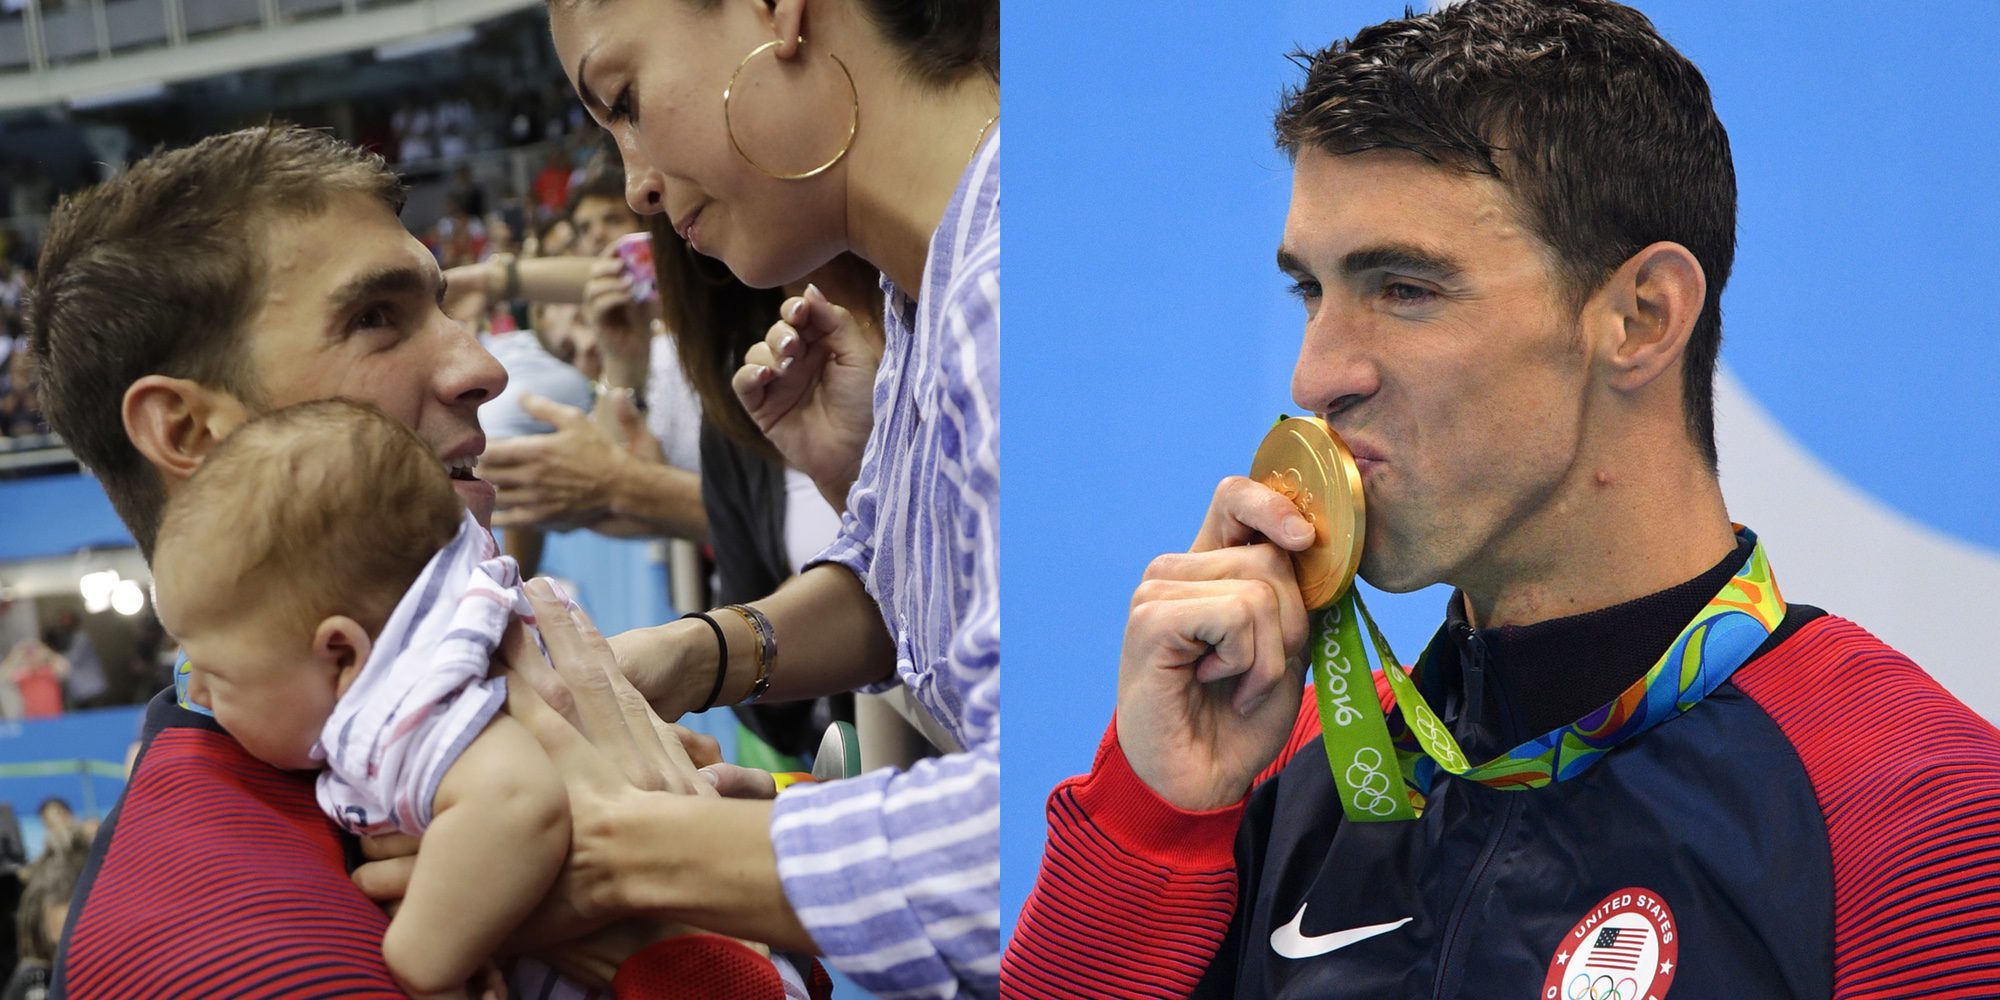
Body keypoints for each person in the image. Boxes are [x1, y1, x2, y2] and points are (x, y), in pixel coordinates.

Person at [1004, 2, 2000, 998]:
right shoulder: (1278, 771)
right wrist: (1158, 814)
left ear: (1638, 318)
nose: (1314, 376)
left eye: (1403, 288)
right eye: (1311, 291)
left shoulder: (1916, 817)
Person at [27, 124, 820, 999]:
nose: (482, 365)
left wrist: (753, 852)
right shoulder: (208, 949)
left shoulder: (483, 685)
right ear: (189, 432)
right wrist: (685, 944)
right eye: (374, 319)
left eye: (445, 307)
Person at [423, 0, 1001, 994]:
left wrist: (630, 850)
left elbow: (1060, 830)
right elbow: (892, 579)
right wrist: (691, 657)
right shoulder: (928, 294)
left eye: (627, 100)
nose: (637, 184)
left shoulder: (995, 296)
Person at [149, 399, 568, 999]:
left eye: (217, 674)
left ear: (341, 655)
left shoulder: (396, 705)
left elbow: (518, 802)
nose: (195, 691)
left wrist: (422, 960)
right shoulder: (442, 626)